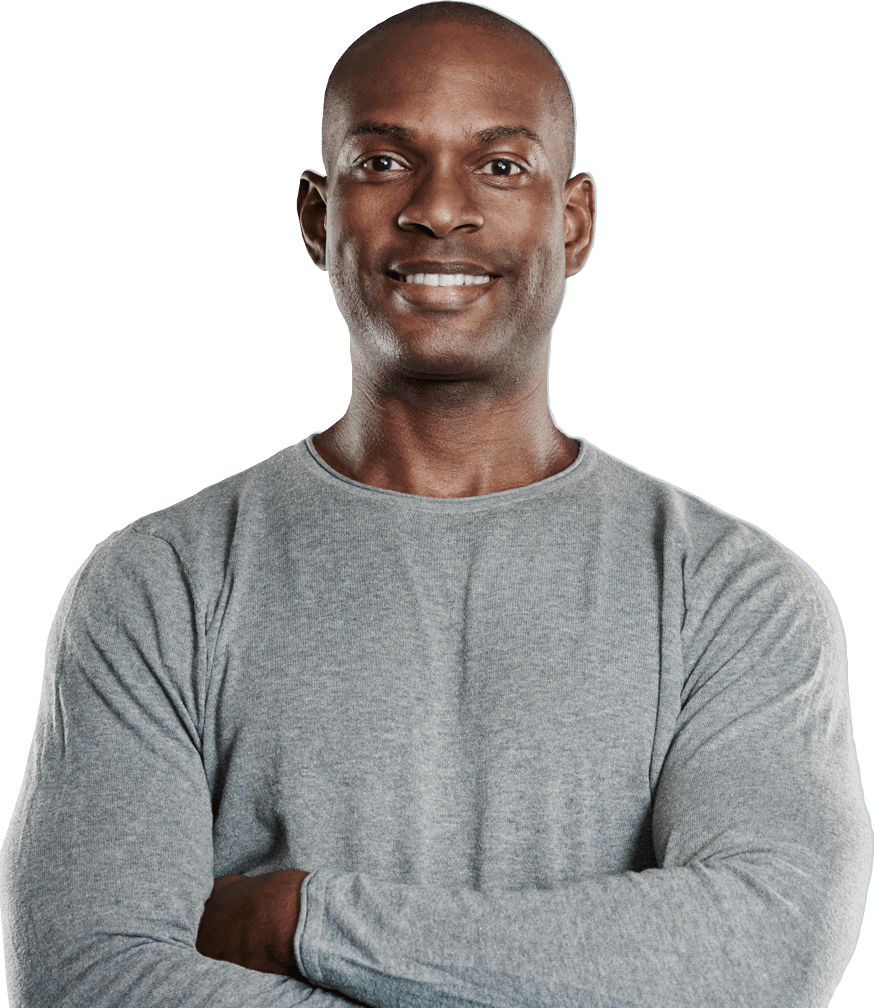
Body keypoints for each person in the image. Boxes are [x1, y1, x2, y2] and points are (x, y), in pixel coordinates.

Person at [1, 3, 870, 1006]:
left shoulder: (737, 596)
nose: (439, 208)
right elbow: (89, 978)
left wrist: (303, 919)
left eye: (499, 165)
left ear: (574, 220)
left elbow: (765, 951)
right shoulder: (155, 587)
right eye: (383, 162)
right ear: (317, 216)